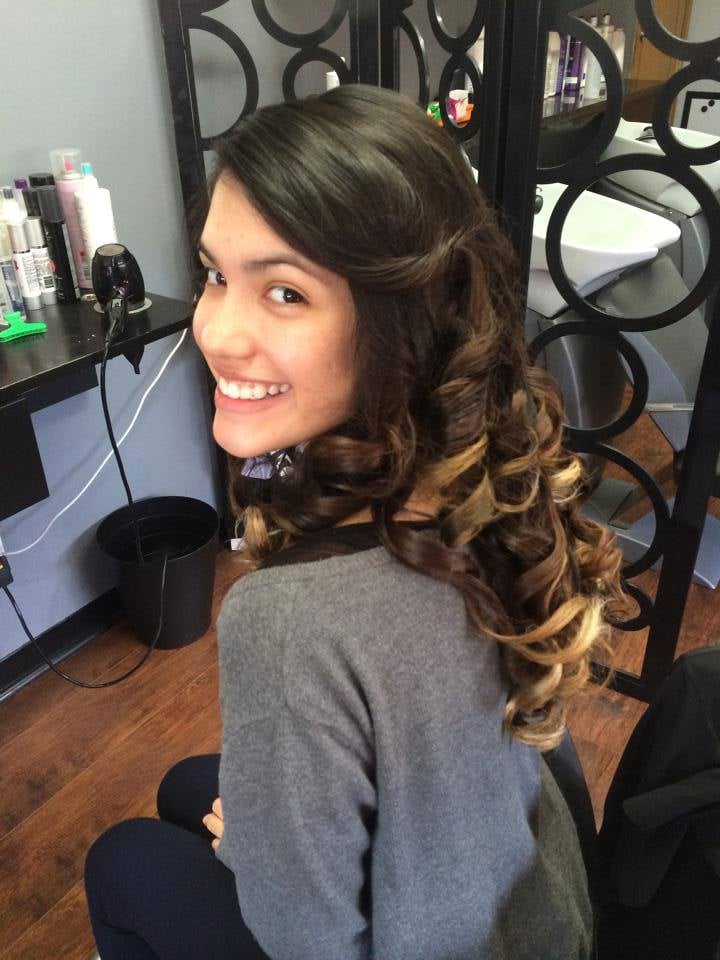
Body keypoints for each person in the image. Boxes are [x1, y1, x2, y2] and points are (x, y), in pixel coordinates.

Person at [84, 84, 630, 960]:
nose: (216, 331)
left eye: (285, 293)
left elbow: (304, 937)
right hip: (531, 903)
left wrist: (253, 856)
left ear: (400, 320)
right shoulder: (489, 481)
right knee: (191, 784)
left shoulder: (290, 622)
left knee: (125, 860)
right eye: (217, 275)